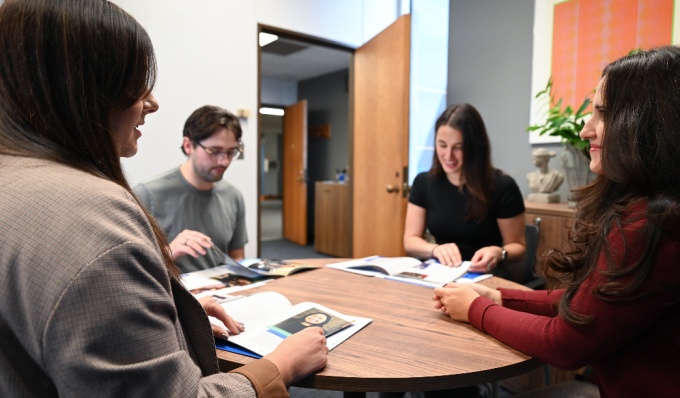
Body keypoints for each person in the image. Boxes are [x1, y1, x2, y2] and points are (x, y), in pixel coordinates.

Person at [0, 1, 327, 397]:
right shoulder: (98, 217)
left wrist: (175, 313)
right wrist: (280, 366)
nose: (151, 103)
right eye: (135, 84)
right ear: (80, 89)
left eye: (232, 152)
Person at [433, 46, 680, 397]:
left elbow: (565, 342)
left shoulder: (648, 225)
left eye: (602, 114)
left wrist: (478, 308)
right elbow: (592, 301)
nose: (585, 129)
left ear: (647, 126)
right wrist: (501, 297)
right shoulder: (652, 212)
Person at [403, 103, 526, 276]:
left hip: (485, 275)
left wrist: (499, 252)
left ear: (475, 147)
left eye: (458, 147)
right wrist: (435, 249)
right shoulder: (424, 183)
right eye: (442, 145)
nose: (448, 155)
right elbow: (410, 240)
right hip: (439, 273)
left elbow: (518, 247)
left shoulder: (503, 186)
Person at [135, 105, 247, 273]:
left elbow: (237, 258)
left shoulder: (233, 195)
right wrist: (170, 251)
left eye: (231, 152)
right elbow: (131, 269)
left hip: (222, 294)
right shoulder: (146, 195)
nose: (224, 161)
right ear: (188, 146)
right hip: (172, 296)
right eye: (214, 151)